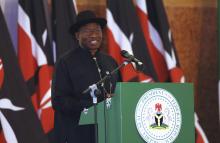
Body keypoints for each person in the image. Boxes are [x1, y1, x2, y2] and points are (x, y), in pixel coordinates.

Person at [51, 10, 121, 143]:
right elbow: (59, 101)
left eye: (97, 30)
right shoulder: (65, 62)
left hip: (107, 133)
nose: (93, 34)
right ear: (77, 35)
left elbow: (119, 93)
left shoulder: (111, 62)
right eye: (87, 31)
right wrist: (92, 106)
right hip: (76, 133)